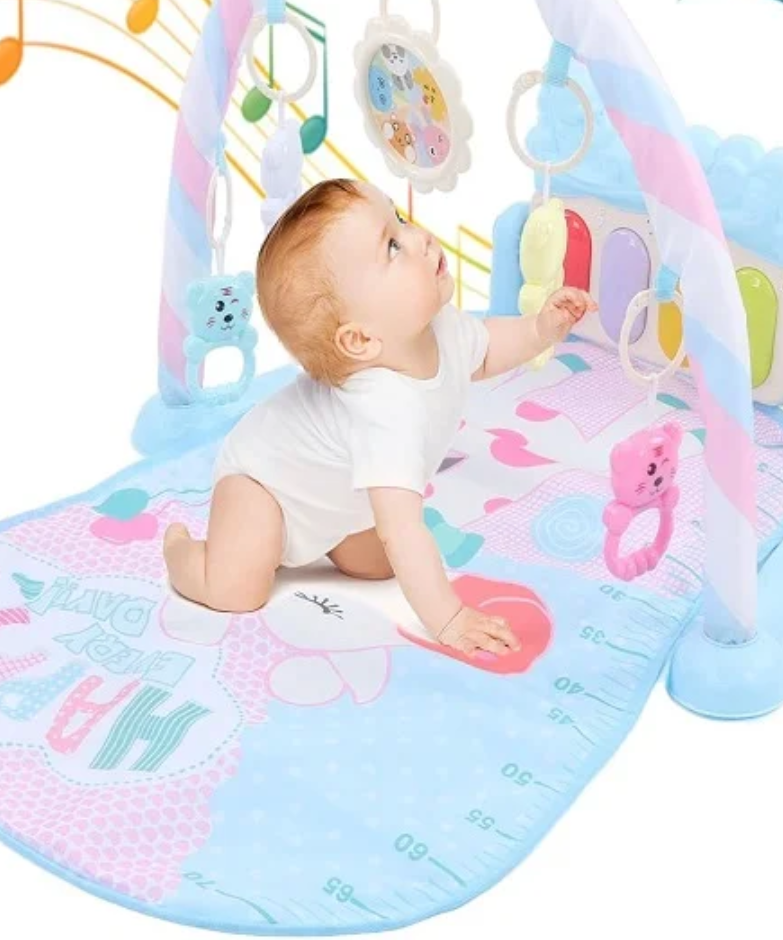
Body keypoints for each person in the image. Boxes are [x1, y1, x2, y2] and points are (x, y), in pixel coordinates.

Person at [164, 178, 596, 656]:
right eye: (392, 246)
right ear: (360, 340)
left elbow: (486, 349)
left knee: (379, 566)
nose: (419, 238)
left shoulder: (438, 329)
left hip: (335, 502)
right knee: (237, 591)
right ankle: (184, 553)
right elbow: (403, 528)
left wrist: (540, 329)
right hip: (263, 487)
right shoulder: (383, 407)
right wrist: (449, 618)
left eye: (401, 221)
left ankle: (318, 542)